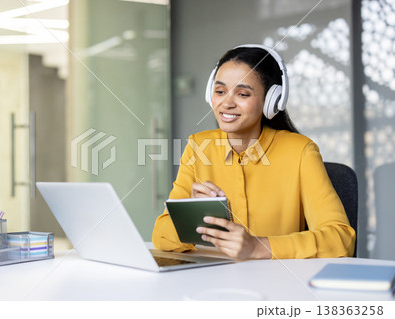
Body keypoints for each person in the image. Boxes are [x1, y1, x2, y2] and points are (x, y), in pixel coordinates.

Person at [152, 44, 356, 260]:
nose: (226, 103)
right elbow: (160, 235)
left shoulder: (300, 152)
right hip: (212, 281)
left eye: (242, 94)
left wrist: (260, 247)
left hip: (276, 283)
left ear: (270, 101)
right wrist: (190, 216)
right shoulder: (198, 146)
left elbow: (340, 239)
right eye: (220, 91)